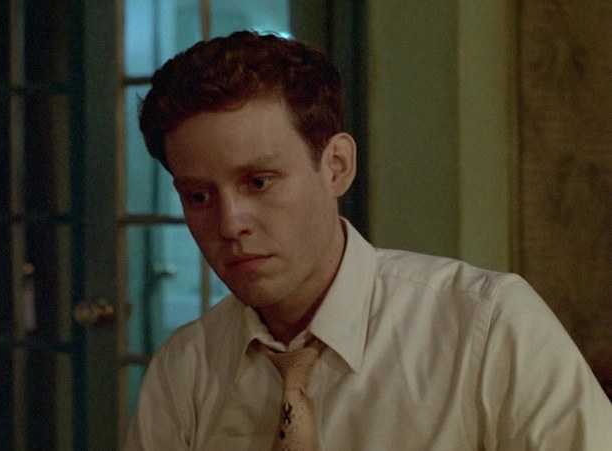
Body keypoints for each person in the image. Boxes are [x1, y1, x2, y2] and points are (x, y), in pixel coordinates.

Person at [125, 30, 612, 450]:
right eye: (198, 196)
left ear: (336, 167)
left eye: (258, 182)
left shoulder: (486, 328)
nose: (231, 224)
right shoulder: (186, 369)